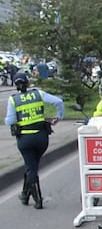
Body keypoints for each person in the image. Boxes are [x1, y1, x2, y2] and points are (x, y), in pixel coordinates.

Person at [5, 71, 63, 210]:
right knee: (32, 167)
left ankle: (38, 200)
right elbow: (59, 102)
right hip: (41, 138)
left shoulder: (13, 100)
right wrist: (58, 117)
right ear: (28, 82)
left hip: (25, 139)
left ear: (16, 86)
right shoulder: (38, 94)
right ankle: (25, 195)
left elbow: (10, 121)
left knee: (31, 168)